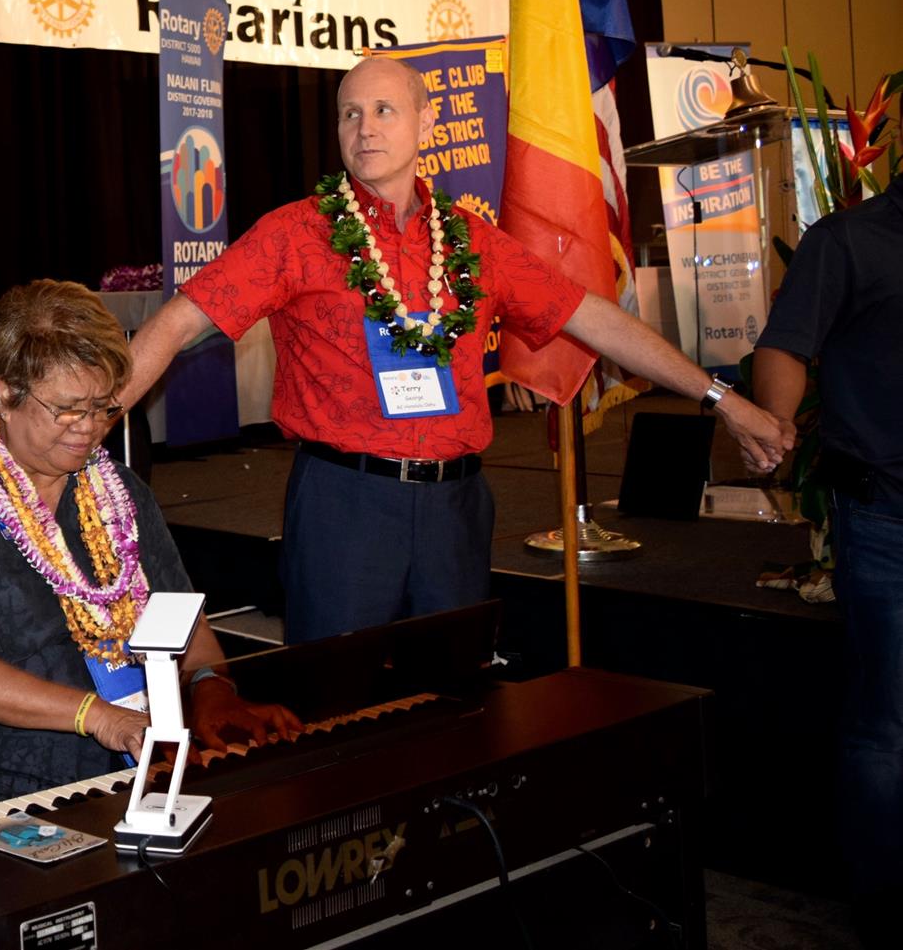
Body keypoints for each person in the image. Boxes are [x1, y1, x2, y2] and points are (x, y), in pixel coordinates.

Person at [125, 55, 795, 644]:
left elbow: (594, 318)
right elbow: (178, 323)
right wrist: (90, 422)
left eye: (384, 110)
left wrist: (723, 399)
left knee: (456, 698)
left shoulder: (473, 241)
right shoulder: (294, 234)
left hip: (457, 511)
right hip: (345, 507)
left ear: (427, 124)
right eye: (350, 113)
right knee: (341, 707)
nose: (365, 128)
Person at [0, 280, 301, 825]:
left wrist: (210, 686)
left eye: (102, 407)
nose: (91, 428)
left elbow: (184, 625)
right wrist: (98, 716)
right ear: (6, 393)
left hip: (129, 756)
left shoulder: (118, 490)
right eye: (69, 410)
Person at [753, 181, 902, 948]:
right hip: (885, 518)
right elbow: (783, 345)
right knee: (888, 721)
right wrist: (775, 422)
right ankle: (883, 905)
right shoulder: (847, 240)